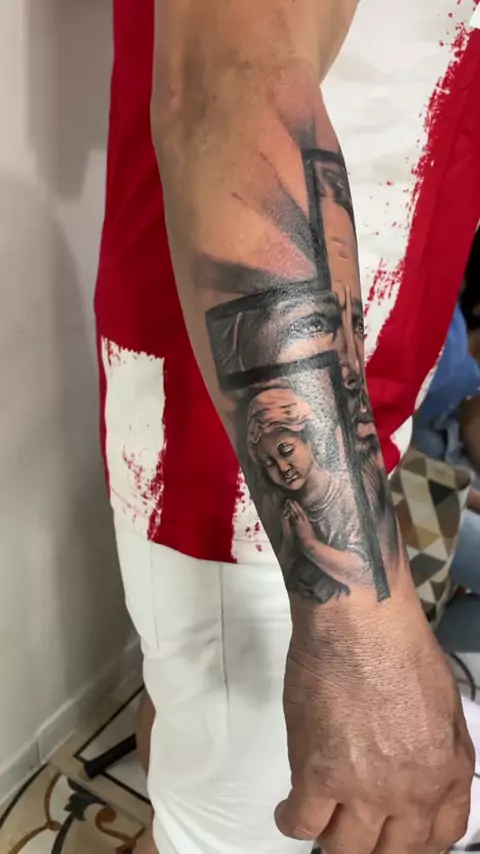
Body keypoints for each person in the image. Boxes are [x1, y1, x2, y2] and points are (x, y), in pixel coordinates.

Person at [95, 2, 480, 853]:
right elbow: (232, 87)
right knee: (236, 818)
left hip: (336, 402)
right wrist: (362, 626)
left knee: (204, 745)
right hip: (248, 460)